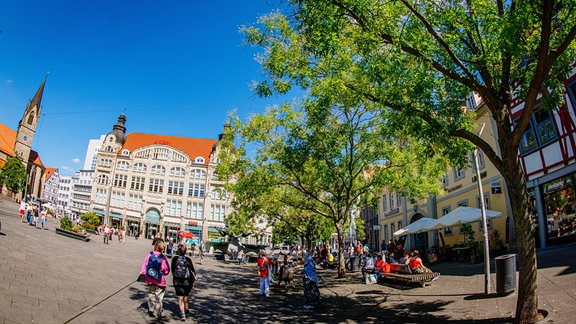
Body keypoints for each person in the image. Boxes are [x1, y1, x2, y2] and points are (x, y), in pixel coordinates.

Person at [140, 240, 171, 319]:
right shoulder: (162, 258)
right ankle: (158, 312)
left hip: (150, 279)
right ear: (162, 249)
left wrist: (143, 273)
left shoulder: (149, 255)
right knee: (159, 297)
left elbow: (144, 265)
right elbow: (167, 270)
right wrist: (162, 272)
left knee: (151, 294)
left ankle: (151, 309)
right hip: (159, 280)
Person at [171, 244, 196, 321]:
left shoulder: (174, 259)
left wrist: (175, 278)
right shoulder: (188, 259)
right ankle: (187, 310)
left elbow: (172, 270)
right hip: (187, 281)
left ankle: (182, 314)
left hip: (178, 281)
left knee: (180, 298)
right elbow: (193, 271)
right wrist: (193, 282)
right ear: (185, 251)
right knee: (186, 296)